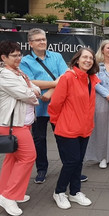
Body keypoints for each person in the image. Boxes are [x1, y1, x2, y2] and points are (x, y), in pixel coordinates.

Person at [20, 28, 87, 184]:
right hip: (38, 108)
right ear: (30, 43)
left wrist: (50, 90)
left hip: (59, 106)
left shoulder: (56, 57)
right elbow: (29, 82)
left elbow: (66, 76)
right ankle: (42, 169)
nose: (42, 42)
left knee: (64, 140)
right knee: (39, 140)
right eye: (38, 40)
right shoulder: (25, 61)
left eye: (43, 39)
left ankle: (70, 169)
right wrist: (54, 83)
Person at [0, 40, 41, 216]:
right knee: (29, 157)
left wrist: (32, 91)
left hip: (19, 124)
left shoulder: (17, 72)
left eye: (19, 54)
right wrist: (33, 94)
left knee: (12, 159)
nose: (18, 58)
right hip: (13, 125)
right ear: (3, 57)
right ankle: (9, 196)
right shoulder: (5, 75)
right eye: (14, 55)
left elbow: (32, 88)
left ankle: (8, 192)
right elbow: (28, 94)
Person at [48, 48, 100, 209]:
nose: (88, 60)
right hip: (67, 128)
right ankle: (59, 191)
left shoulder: (91, 78)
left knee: (78, 162)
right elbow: (55, 104)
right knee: (71, 161)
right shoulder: (68, 77)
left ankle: (75, 192)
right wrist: (58, 123)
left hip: (84, 128)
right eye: (84, 57)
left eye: (91, 58)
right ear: (77, 59)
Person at [84, 40, 109, 169]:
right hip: (101, 100)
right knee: (101, 128)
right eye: (108, 48)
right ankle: (102, 157)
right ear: (102, 50)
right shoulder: (96, 66)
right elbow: (94, 82)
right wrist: (108, 95)